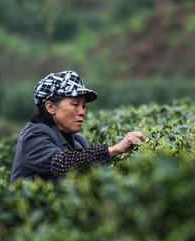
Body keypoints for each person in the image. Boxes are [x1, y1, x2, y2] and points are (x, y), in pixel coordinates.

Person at [10, 70, 146, 182]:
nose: (82, 112)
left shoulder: (78, 140)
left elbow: (88, 167)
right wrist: (115, 149)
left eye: (84, 106)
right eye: (75, 105)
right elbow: (61, 164)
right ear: (51, 107)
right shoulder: (33, 136)